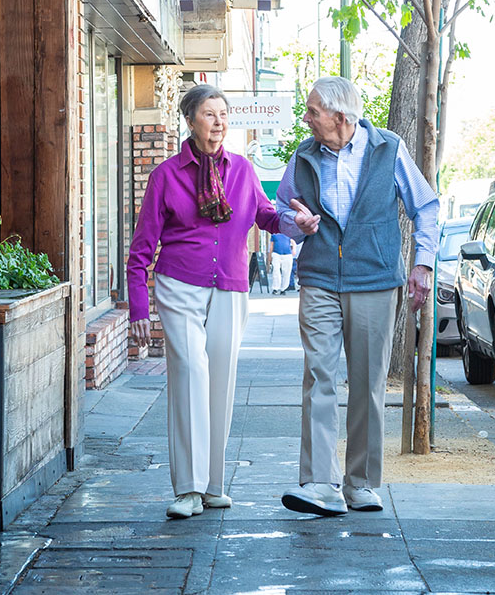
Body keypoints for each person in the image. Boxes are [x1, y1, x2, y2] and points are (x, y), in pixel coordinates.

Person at [127, 84, 318, 519]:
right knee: (190, 373)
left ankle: (213, 484)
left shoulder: (243, 171)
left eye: (224, 114)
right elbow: (142, 247)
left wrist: (297, 224)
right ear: (191, 121)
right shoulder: (166, 176)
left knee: (221, 381)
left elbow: (266, 215)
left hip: (231, 286)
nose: (219, 122)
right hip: (179, 286)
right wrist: (139, 305)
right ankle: (188, 489)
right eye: (209, 114)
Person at [275, 76, 439, 516]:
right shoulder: (305, 155)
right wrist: (298, 225)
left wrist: (422, 264)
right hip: (320, 277)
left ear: (341, 117)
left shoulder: (388, 149)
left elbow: (425, 206)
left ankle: (361, 483)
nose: (306, 119)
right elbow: (280, 212)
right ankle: (318, 483)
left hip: (375, 279)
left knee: (367, 382)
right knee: (320, 377)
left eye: (312, 112)